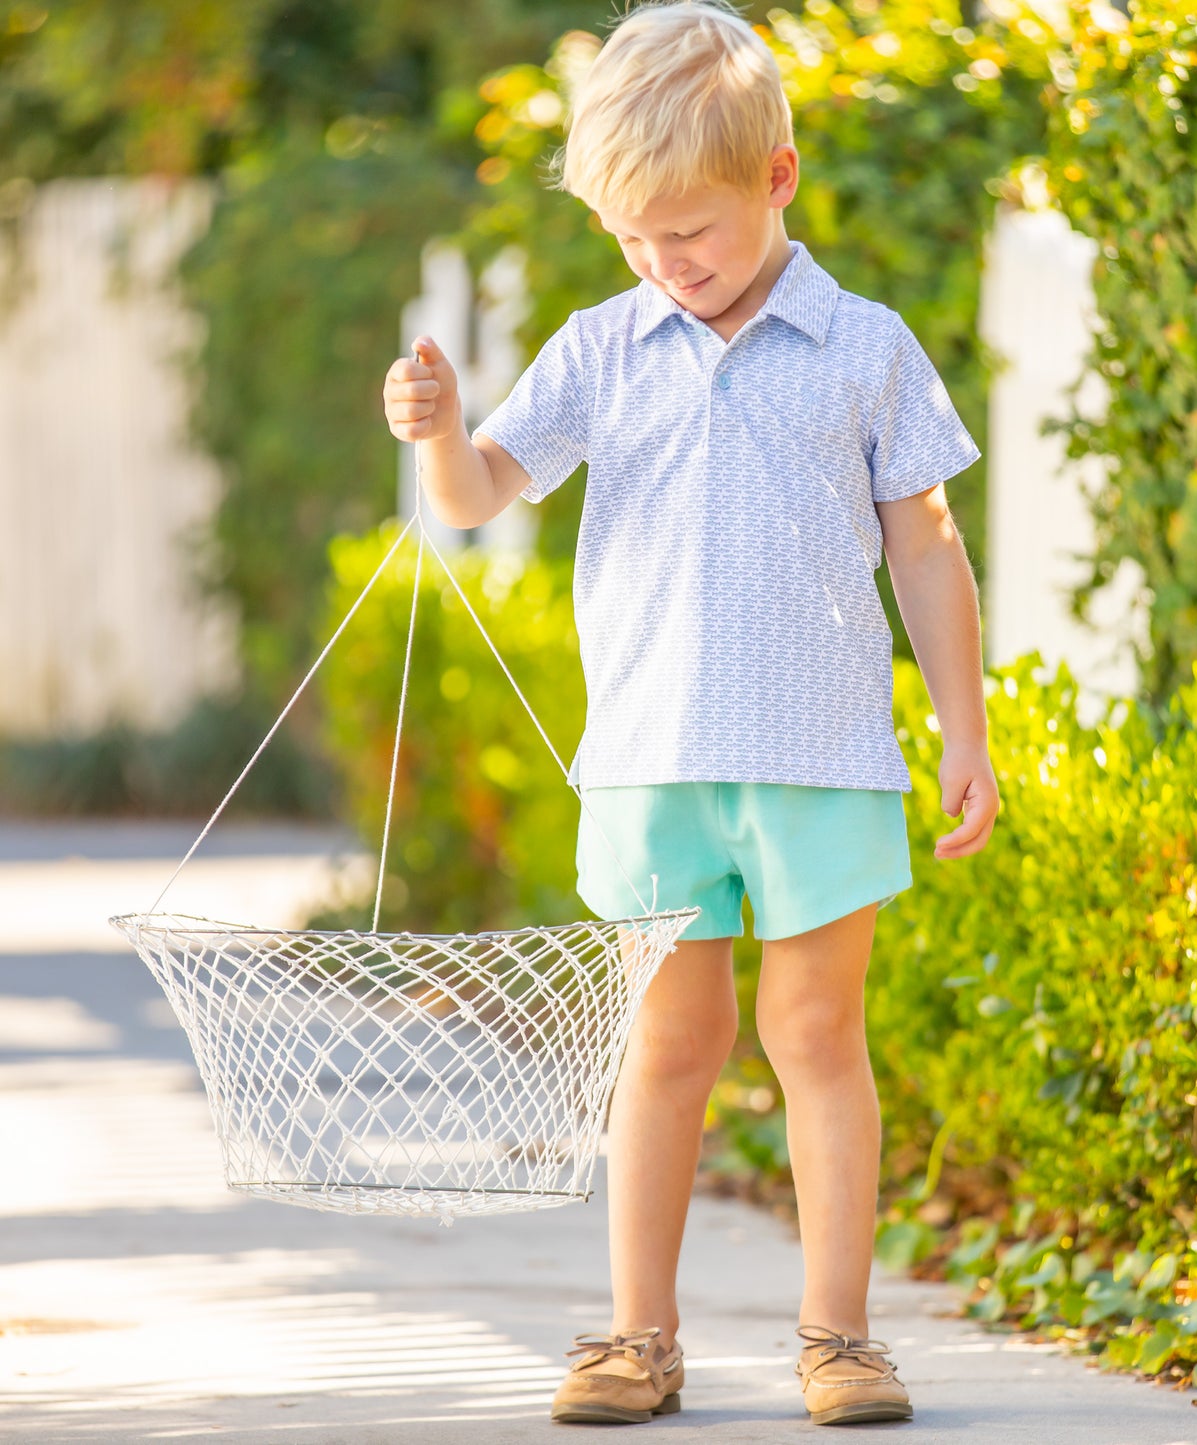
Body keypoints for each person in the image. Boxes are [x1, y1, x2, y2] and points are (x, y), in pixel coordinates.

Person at [382, 0, 998, 1426]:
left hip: (822, 762)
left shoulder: (864, 345)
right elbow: (481, 494)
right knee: (663, 1048)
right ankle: (634, 1336)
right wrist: (435, 434)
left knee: (814, 1035)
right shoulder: (605, 345)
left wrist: (962, 728)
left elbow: (927, 543)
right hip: (653, 765)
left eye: (693, 233)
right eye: (635, 239)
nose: (667, 265)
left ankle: (837, 1337)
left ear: (776, 178)